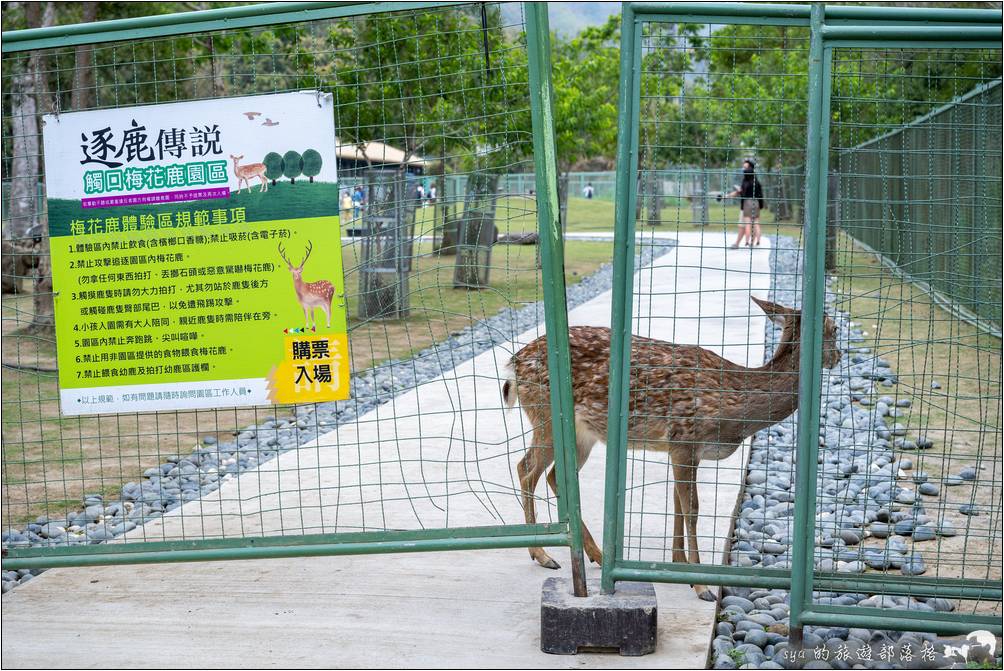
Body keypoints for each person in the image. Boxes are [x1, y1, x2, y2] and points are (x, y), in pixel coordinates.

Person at [719, 159, 764, 248]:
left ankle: (746, 242)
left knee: (745, 224)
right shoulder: (756, 182)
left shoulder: (746, 181)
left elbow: (741, 192)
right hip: (756, 203)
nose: (744, 169)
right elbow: (760, 194)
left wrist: (739, 190)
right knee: (755, 223)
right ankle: (756, 241)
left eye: (745, 167)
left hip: (747, 204)